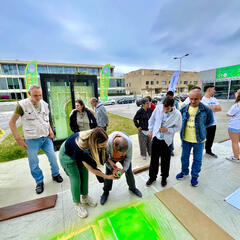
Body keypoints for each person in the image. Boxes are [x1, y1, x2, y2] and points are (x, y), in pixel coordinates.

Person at [9, 85, 63, 194]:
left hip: (46, 138)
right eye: (35, 95)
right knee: (33, 162)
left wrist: (50, 130)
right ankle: (39, 181)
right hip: (31, 140)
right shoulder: (22, 105)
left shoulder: (45, 104)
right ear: (29, 94)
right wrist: (18, 138)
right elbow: (11, 122)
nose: (38, 98)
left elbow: (46, 119)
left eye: (40, 95)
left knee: (53, 157)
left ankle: (55, 174)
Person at [59, 127, 119, 218]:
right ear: (95, 143)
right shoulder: (81, 148)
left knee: (84, 174)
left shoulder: (94, 137)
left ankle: (85, 198)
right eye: (102, 145)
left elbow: (102, 154)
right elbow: (93, 169)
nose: (104, 146)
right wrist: (108, 177)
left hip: (77, 152)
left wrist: (112, 164)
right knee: (76, 178)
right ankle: (77, 204)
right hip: (67, 156)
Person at [176, 89, 214, 187]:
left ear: (201, 98)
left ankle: (194, 176)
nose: (193, 101)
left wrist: (201, 128)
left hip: (199, 140)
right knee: (184, 157)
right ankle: (184, 172)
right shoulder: (183, 109)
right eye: (191, 99)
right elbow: (179, 120)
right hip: (185, 139)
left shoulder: (206, 110)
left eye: (196, 99)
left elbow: (210, 122)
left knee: (197, 159)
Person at [146, 97, 182, 187]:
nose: (165, 111)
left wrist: (168, 130)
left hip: (167, 141)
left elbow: (178, 128)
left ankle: (164, 178)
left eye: (168, 109)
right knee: (154, 160)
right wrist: (150, 130)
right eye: (164, 109)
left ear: (172, 106)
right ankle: (152, 177)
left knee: (165, 161)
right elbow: (151, 120)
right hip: (156, 138)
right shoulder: (158, 108)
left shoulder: (177, 114)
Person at [100, 131, 142, 205]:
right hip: (111, 158)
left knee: (129, 171)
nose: (123, 154)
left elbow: (128, 158)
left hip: (124, 159)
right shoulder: (107, 144)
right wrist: (113, 169)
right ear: (115, 148)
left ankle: (132, 188)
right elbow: (105, 158)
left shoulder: (129, 143)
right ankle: (106, 192)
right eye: (121, 153)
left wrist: (123, 170)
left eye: (124, 152)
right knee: (108, 173)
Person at [202, 85, 222, 158]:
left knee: (210, 138)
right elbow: (209, 109)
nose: (215, 91)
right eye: (214, 89)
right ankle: (198, 151)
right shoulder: (202, 100)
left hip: (213, 122)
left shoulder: (214, 99)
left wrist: (211, 108)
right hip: (204, 123)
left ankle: (208, 151)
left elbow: (219, 108)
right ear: (209, 90)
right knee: (201, 138)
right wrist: (214, 108)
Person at [161, 90, 180, 156]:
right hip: (163, 122)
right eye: (167, 96)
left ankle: (171, 150)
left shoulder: (176, 103)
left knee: (170, 137)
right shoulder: (163, 101)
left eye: (170, 96)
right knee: (162, 138)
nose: (168, 97)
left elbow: (176, 112)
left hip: (171, 124)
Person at [226, 89, 240, 162]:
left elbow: (228, 114)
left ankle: (235, 157)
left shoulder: (236, 105)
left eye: (237, 92)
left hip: (235, 126)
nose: (235, 93)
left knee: (235, 142)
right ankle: (237, 154)